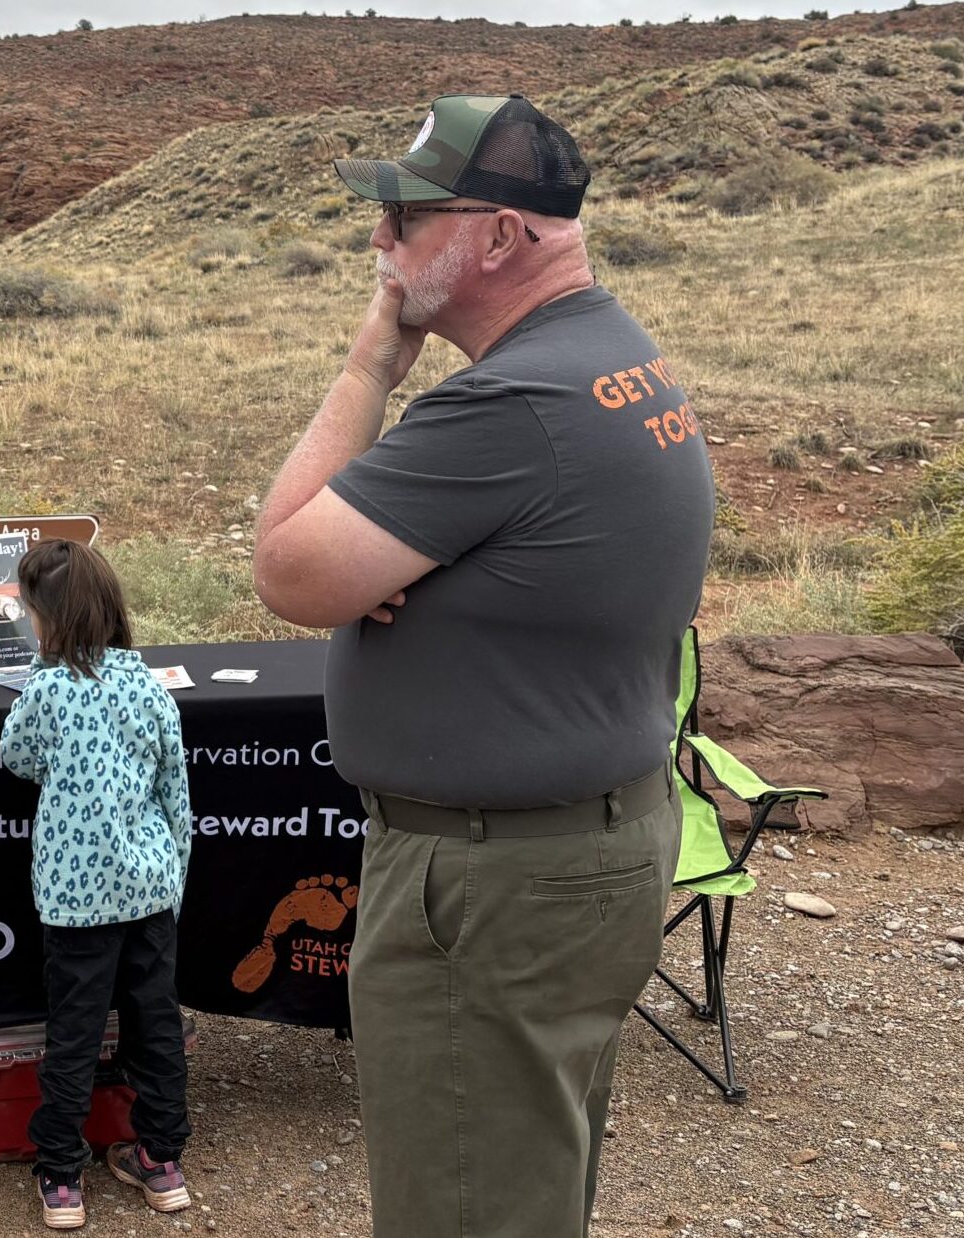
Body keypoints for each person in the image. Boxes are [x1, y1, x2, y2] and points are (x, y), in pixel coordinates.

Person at [251, 95, 713, 1238]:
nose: (380, 241)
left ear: (501, 235)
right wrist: (420, 565)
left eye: (407, 217)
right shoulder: (611, 356)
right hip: (578, 847)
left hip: (492, 880)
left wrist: (369, 364)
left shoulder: (513, 402)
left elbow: (292, 571)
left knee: (464, 1205)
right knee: (522, 1186)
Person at [0, 539, 195, 1231]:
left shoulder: (46, 689)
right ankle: (162, 1161)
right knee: (156, 1024)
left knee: (75, 1034)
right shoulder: (150, 687)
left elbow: (14, 756)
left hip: (75, 901)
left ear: (46, 619)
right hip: (149, 889)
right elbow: (175, 795)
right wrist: (174, 879)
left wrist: (42, 672)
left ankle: (61, 1176)